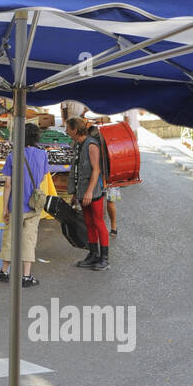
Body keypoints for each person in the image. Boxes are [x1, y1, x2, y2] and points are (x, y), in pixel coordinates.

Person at [0, 123, 49, 287]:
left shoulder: (13, 156)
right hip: (33, 205)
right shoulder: (43, 155)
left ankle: (4, 271)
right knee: (29, 239)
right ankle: (26, 276)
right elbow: (42, 178)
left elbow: (8, 184)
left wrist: (5, 208)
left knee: (10, 238)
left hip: (16, 205)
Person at [65, 116, 110, 271]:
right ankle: (93, 254)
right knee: (89, 224)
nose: (66, 131)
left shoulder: (91, 145)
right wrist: (75, 193)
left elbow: (96, 170)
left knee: (98, 222)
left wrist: (89, 192)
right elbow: (78, 170)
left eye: (68, 129)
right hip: (83, 191)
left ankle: (104, 258)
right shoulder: (78, 145)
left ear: (75, 130)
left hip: (93, 192)